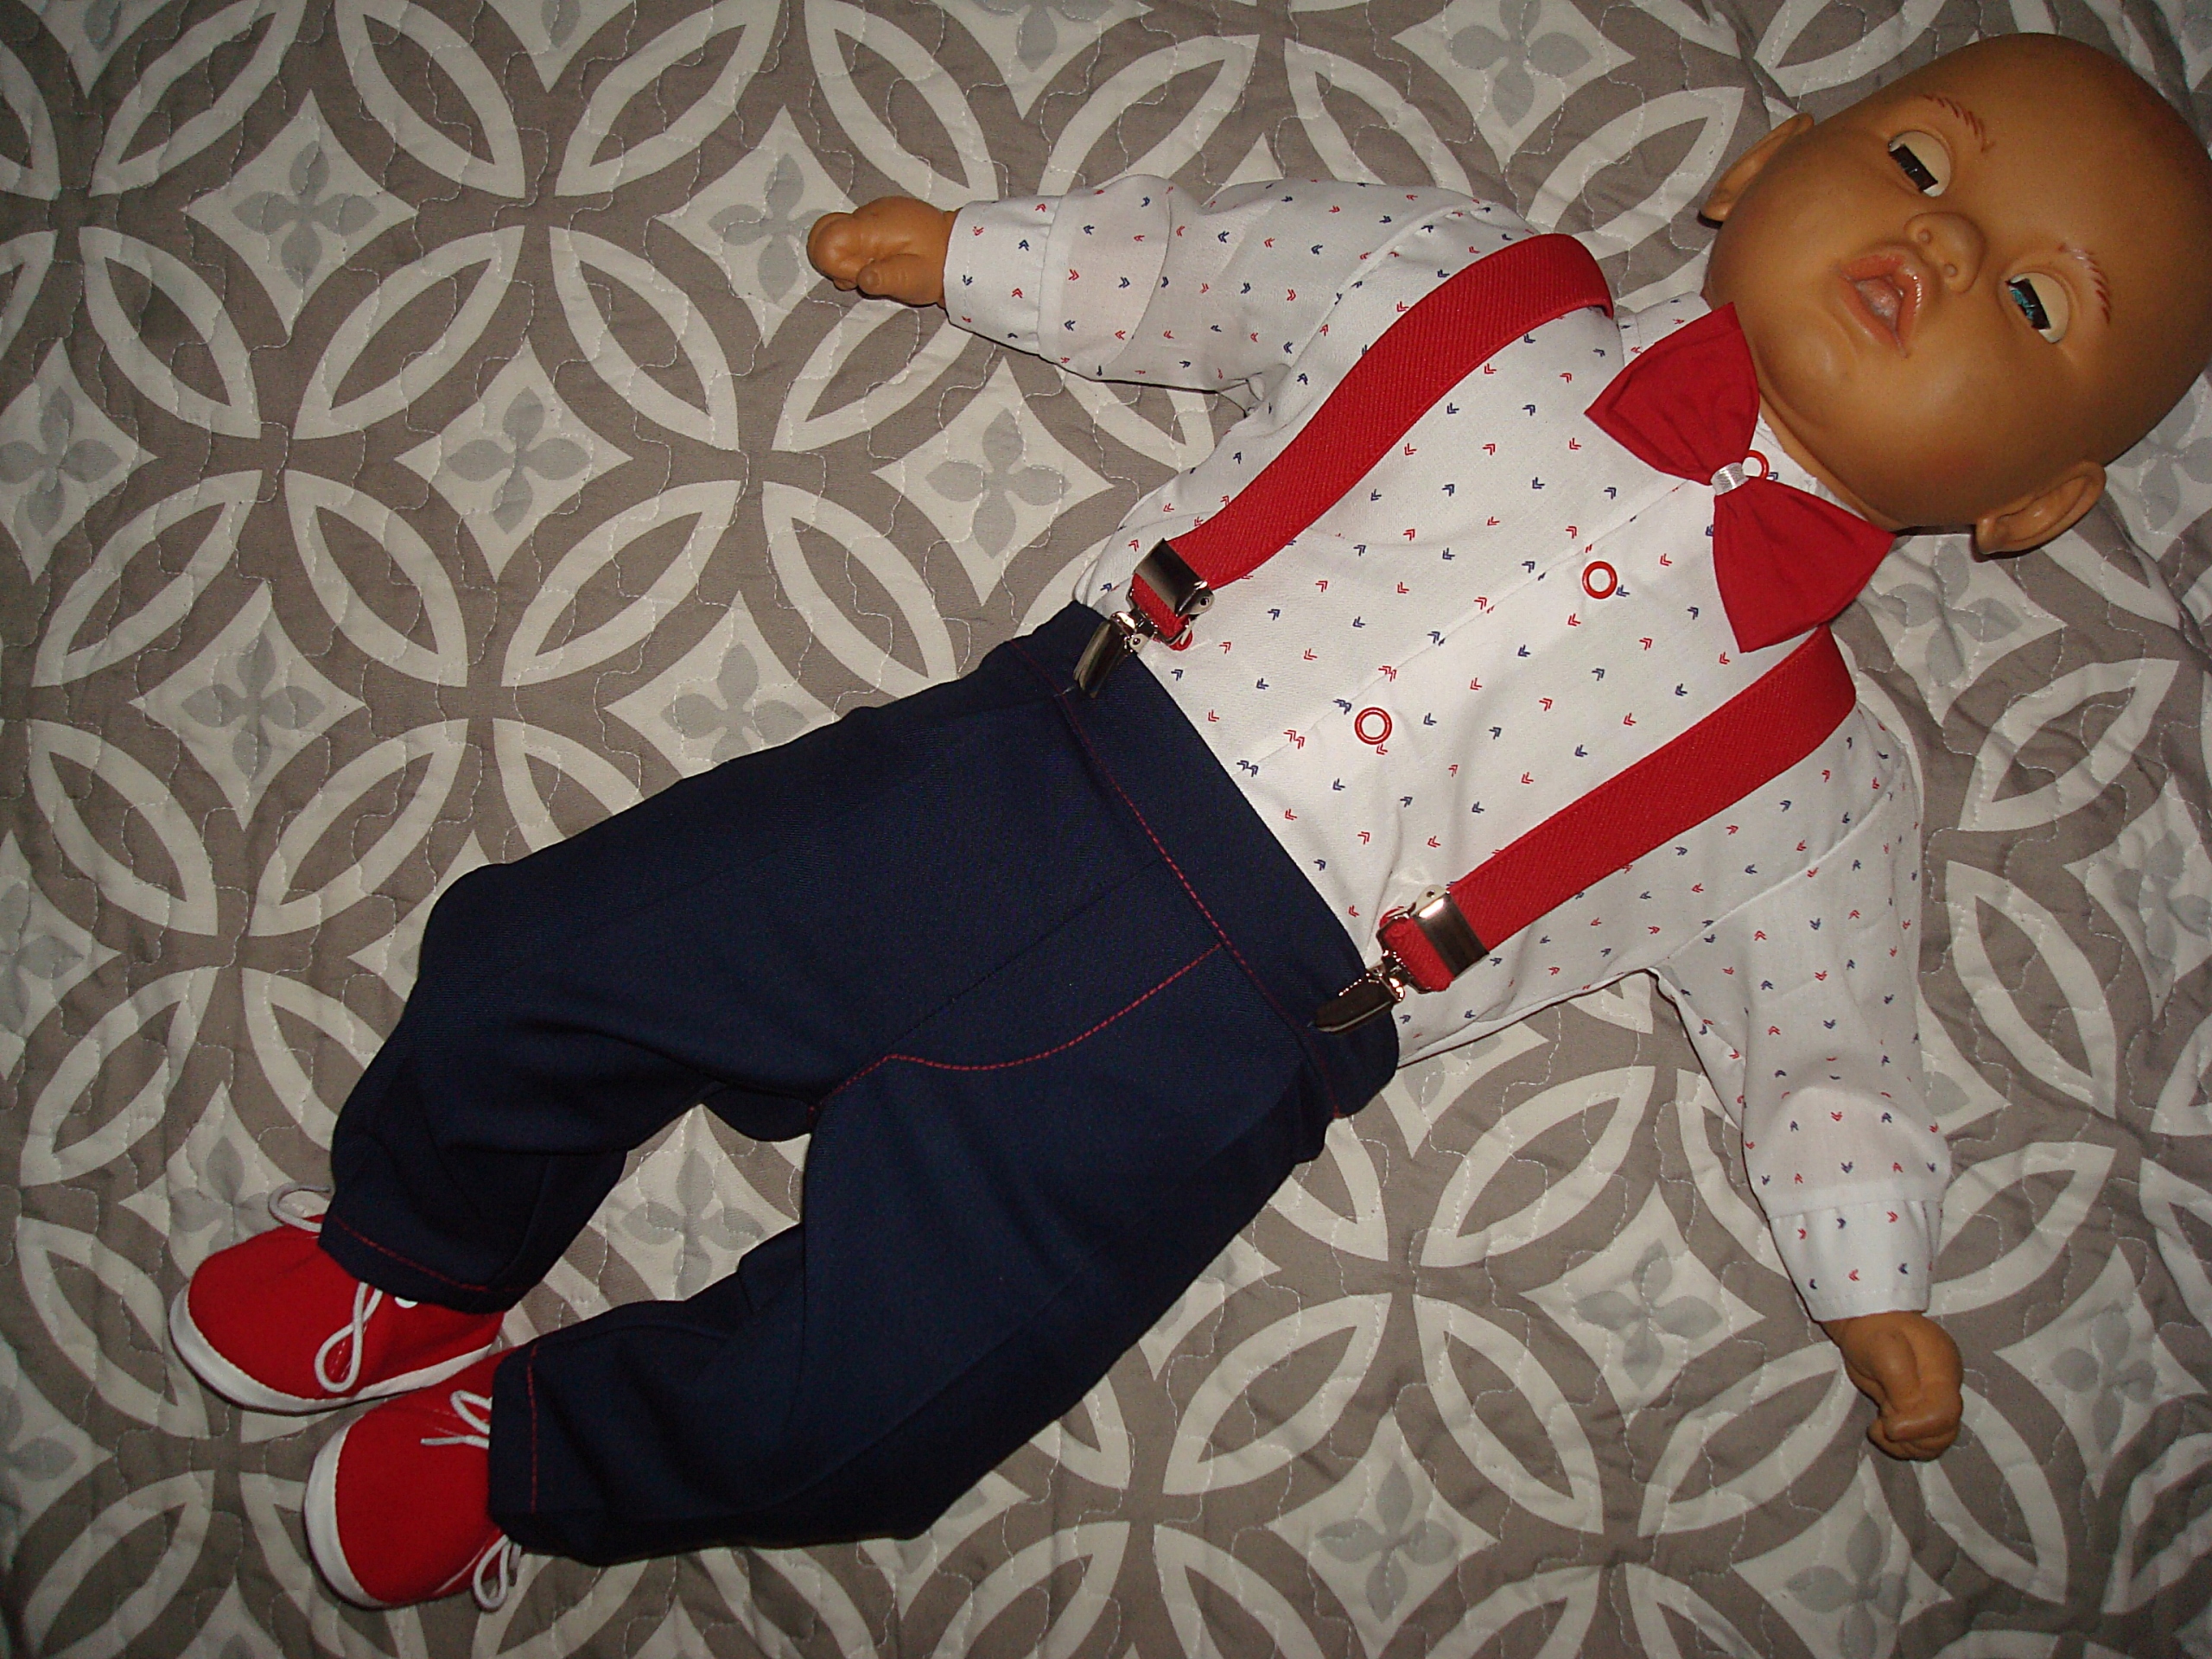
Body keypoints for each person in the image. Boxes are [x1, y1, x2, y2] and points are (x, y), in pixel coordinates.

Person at [168, 34, 2212, 1609]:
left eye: (2035, 306)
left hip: (1227, 1050)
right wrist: (978, 256)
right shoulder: (1465, 284)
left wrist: (1870, 1277)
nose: (1945, 248)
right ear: (1760, 165)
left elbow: (1827, 1044)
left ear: (2032, 506)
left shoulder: (1819, 779)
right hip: (1019, 772)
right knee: (564, 946)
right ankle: (413, 1244)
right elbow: (1200, 272)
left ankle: (534, 1454)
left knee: (897, 1400)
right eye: (1916, 163)